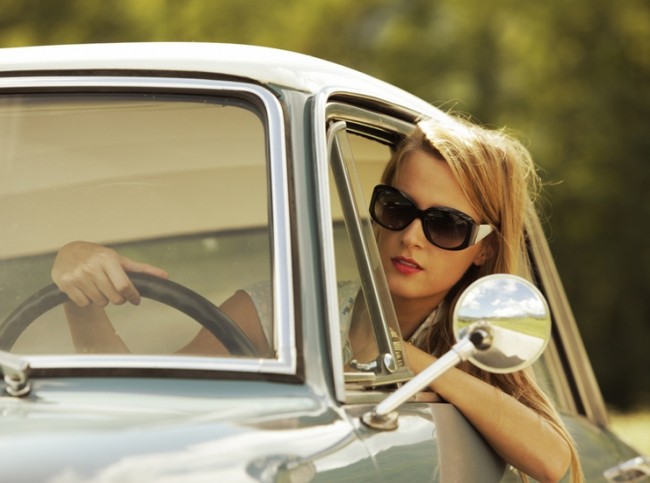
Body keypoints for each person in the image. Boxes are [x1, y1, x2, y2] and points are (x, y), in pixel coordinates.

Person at [51, 116, 582, 482]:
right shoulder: (279, 311)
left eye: (446, 224)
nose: (411, 237)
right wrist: (82, 295)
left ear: (484, 249)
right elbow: (144, 409)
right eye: (397, 208)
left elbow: (557, 463)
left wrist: (410, 360)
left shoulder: (481, 347)